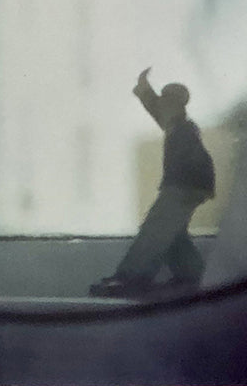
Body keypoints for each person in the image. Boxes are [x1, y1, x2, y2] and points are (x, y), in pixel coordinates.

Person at [90, 68, 215, 297]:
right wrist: (144, 88)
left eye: (166, 101)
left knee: (155, 229)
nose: (162, 104)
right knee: (174, 234)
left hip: (184, 187)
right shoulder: (176, 124)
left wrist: (182, 187)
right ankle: (193, 276)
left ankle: (131, 277)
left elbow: (195, 161)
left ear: (176, 105)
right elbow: (155, 109)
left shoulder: (184, 129)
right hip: (189, 186)